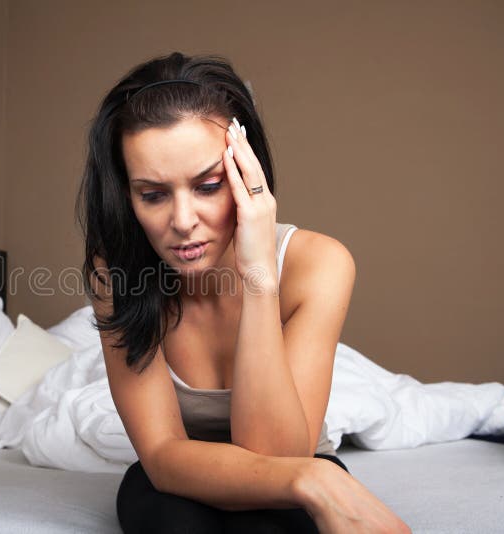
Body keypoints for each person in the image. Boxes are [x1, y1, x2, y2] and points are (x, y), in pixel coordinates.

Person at [76, 52, 410, 534]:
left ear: (247, 171)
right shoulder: (117, 275)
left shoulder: (319, 263)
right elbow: (163, 455)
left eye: (209, 185)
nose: (183, 221)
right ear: (126, 198)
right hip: (185, 475)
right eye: (152, 195)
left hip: (290, 465)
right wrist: (314, 479)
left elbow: (277, 455)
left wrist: (258, 277)